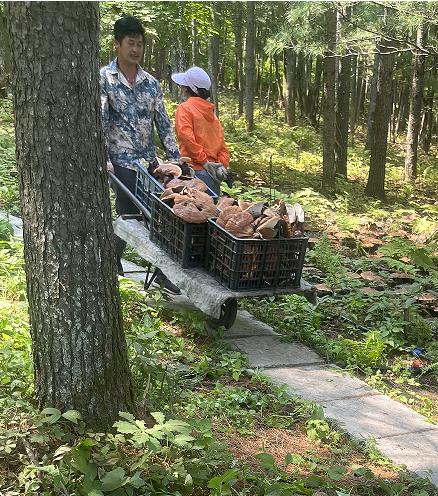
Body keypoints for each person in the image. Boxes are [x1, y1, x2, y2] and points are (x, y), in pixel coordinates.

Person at [100, 15, 181, 294]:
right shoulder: (105, 79)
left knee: (164, 213)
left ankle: (162, 271)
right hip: (119, 160)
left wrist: (176, 158)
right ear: (117, 45)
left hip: (149, 162)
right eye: (130, 44)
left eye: (140, 44)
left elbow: (163, 122)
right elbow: (98, 120)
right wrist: (104, 158)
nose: (135, 50)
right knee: (130, 212)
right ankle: (113, 259)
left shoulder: (151, 83)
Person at [171, 67, 231, 195]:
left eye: (183, 85)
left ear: (188, 88)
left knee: (191, 212)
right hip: (212, 175)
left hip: (193, 172)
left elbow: (186, 137)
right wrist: (220, 166)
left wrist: (204, 162)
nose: (181, 88)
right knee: (210, 211)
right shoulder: (213, 116)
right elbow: (222, 147)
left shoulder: (185, 108)